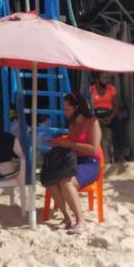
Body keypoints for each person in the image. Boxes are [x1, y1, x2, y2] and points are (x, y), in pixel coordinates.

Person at [47, 92, 102, 235]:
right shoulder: (72, 125)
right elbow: (70, 147)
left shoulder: (92, 122)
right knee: (51, 180)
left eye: (67, 109)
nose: (64, 112)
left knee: (66, 182)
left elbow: (94, 149)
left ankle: (81, 221)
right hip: (74, 161)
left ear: (77, 107)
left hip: (91, 163)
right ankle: (67, 218)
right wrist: (59, 145)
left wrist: (70, 144)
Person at [89, 73, 118, 162]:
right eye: (104, 78)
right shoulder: (91, 90)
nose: (107, 80)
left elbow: (116, 107)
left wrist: (110, 118)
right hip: (96, 115)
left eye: (108, 78)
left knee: (119, 128)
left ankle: (120, 155)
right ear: (97, 80)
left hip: (109, 114)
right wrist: (97, 119)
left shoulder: (111, 89)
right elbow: (89, 108)